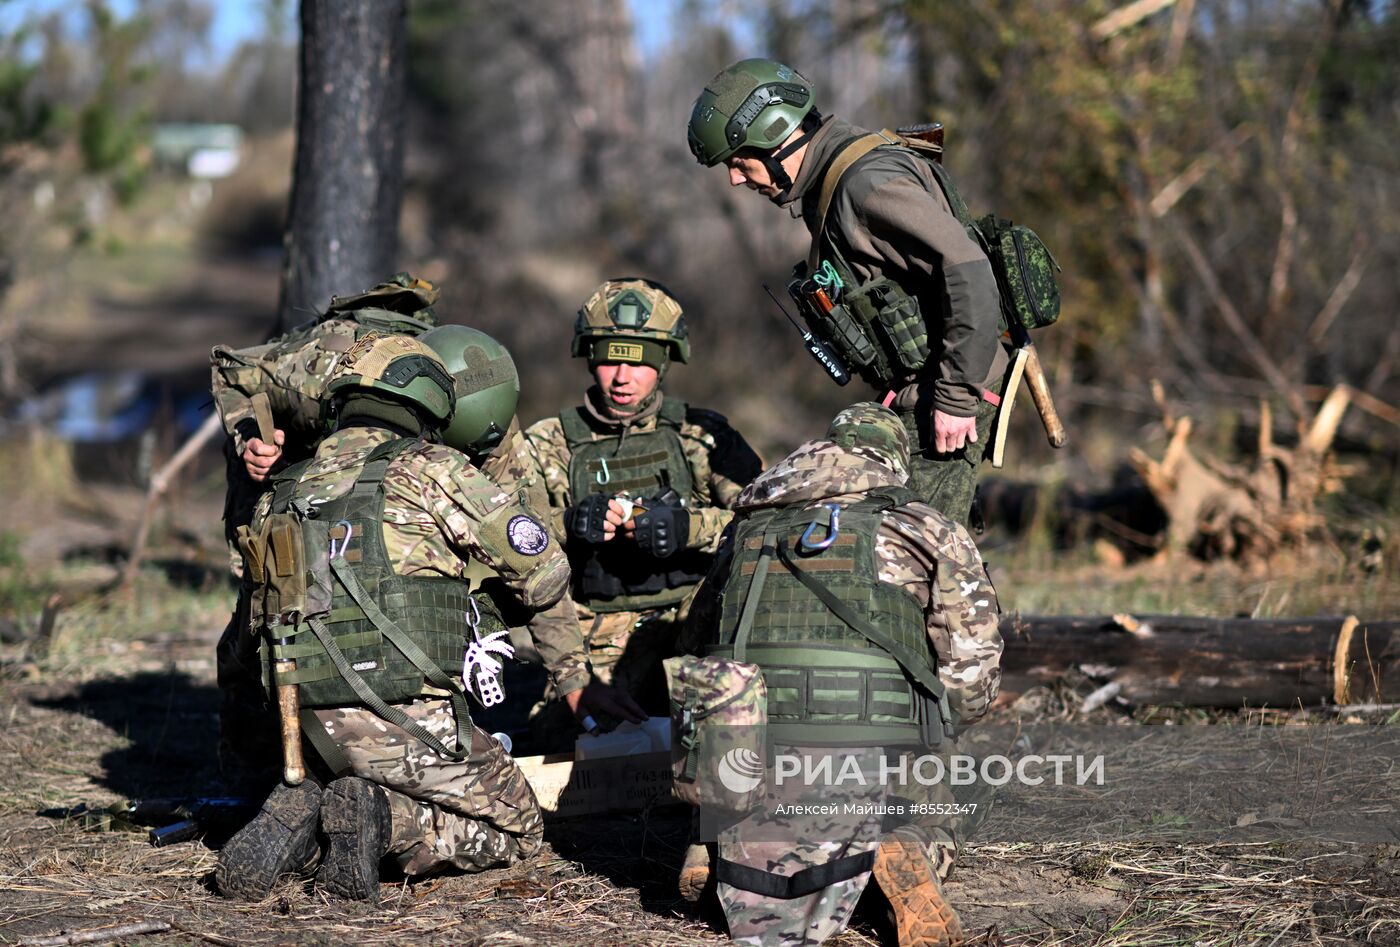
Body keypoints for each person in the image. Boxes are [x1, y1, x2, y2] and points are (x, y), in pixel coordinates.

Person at [217, 333, 566, 903]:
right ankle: (386, 819)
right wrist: (479, 610)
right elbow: (545, 572)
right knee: (516, 830)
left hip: (301, 732)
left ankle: (307, 829)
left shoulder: (281, 489)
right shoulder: (435, 469)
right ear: (428, 405)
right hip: (404, 721)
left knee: (341, 791)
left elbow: (243, 637)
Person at [678, 402, 1003, 946]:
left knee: (759, 857)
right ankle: (912, 844)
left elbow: (696, 645)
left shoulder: (746, 526)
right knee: (943, 793)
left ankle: (706, 845)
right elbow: (974, 668)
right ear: (892, 463)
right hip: (865, 741)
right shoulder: (922, 526)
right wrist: (941, 726)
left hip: (747, 749)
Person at [687, 59, 1009, 527]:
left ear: (779, 137)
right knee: (914, 553)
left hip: (949, 392)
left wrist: (957, 397)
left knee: (914, 555)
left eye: (740, 162)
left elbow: (966, 267)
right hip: (920, 392)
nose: (736, 178)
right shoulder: (836, 180)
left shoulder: (864, 183)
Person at [522, 278, 762, 730]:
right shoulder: (546, 443)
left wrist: (686, 526)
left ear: (666, 361)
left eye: (639, 362)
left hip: (695, 624)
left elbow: (761, 523)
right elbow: (512, 538)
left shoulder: (703, 436)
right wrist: (569, 522)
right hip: (594, 637)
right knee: (557, 739)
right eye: (609, 358)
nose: (622, 378)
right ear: (588, 356)